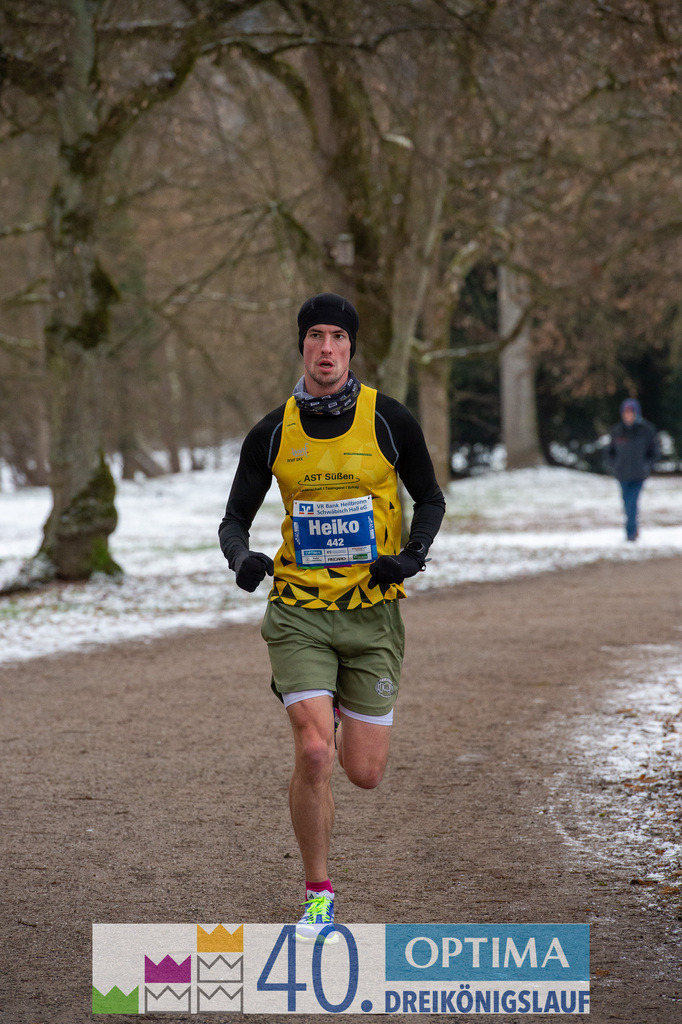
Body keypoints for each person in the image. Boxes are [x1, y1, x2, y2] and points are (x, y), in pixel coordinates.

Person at [219, 292, 445, 938]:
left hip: (372, 615)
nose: (327, 348)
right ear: (302, 346)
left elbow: (430, 498)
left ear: (351, 348)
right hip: (299, 611)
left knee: (364, 773)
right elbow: (234, 519)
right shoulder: (272, 432)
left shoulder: (388, 420)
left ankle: (338, 704)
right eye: (315, 335)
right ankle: (318, 892)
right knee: (315, 751)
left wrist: (411, 557)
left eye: (338, 337)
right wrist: (242, 557)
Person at [604, 398, 658, 542]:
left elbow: (653, 451)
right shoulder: (617, 430)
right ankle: (633, 528)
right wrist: (613, 466)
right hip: (622, 474)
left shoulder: (646, 430)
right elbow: (610, 452)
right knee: (626, 503)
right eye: (626, 413)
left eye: (631, 413)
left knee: (632, 502)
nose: (628, 416)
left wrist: (647, 466)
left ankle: (630, 533)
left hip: (638, 474)